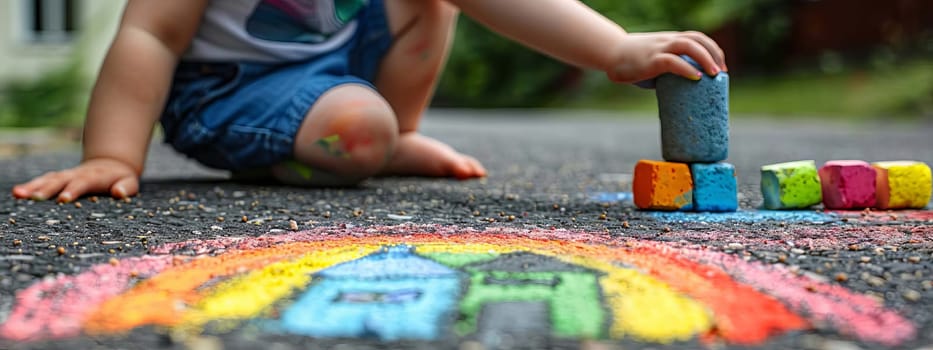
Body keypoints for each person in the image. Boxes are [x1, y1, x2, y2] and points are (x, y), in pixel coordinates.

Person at [12, 0, 727, 203]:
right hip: (228, 91)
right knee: (357, 128)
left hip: (330, 67)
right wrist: (110, 153)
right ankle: (365, 140)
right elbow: (149, 37)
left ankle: (391, 133)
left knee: (431, 5)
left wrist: (613, 48)